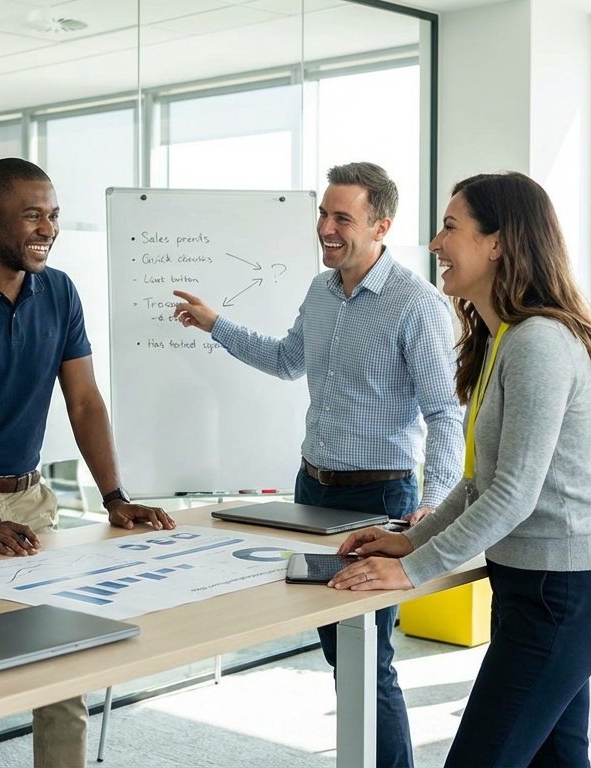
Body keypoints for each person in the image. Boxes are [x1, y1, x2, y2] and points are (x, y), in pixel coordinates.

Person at [172, 161, 463, 768]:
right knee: (338, 646)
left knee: (367, 656)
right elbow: (285, 361)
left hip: (380, 500)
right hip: (313, 490)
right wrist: (214, 323)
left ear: (381, 225)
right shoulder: (320, 292)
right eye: (324, 214)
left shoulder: (418, 306)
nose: (326, 228)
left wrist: (433, 501)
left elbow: (444, 413)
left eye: (342, 218)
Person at [329, 171, 591, 768]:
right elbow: (482, 482)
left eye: (450, 228)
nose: (436, 244)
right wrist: (408, 539)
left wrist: (412, 570)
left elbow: (514, 495)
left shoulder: (538, 340)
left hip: (559, 598)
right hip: (535, 592)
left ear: (498, 242)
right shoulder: (502, 338)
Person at [0, 157, 177, 768]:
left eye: (53, 215)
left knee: (63, 665)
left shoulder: (60, 291)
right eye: (32, 216)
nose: (47, 229)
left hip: (30, 502)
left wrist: (114, 496)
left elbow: (83, 400)